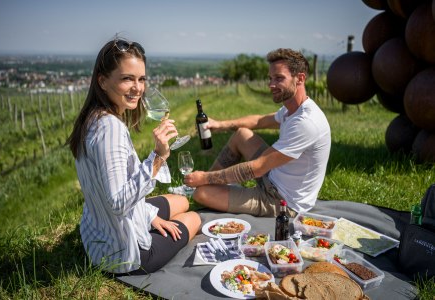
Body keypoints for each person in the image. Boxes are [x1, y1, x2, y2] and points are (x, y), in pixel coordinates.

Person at [67, 37, 201, 275]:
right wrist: (159, 156)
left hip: (101, 231)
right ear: (103, 81)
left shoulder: (94, 117)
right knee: (193, 218)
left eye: (141, 79)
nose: (138, 88)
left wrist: (150, 217)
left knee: (181, 201)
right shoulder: (110, 129)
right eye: (127, 78)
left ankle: (148, 219)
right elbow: (118, 203)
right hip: (123, 253)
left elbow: (115, 195)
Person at [183, 48, 331, 217]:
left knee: (201, 194)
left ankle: (206, 184)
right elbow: (260, 121)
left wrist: (204, 179)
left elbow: (258, 168)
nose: (271, 85)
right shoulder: (293, 109)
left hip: (282, 201)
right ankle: (213, 182)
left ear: (300, 78)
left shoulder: (306, 123)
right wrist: (220, 125)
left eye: (279, 78)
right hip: (275, 176)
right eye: (270, 78)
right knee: (242, 134)